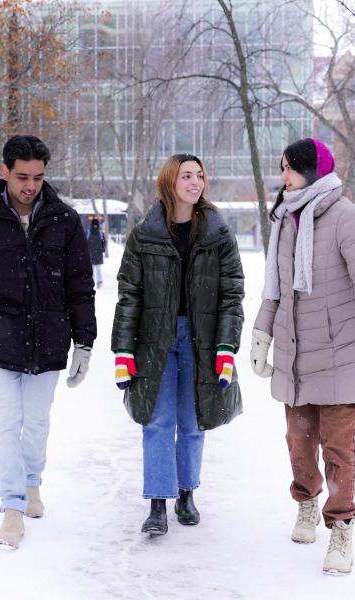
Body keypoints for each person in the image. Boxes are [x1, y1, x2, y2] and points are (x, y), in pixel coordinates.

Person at [0, 135, 97, 550]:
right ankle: (11, 509)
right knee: (6, 422)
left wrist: (84, 342)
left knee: (38, 421)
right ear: (5, 171)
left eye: (38, 177)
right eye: (23, 176)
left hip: (48, 339)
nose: (31, 185)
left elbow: (80, 287)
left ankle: (31, 483)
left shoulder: (64, 220)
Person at [250, 137, 355, 576]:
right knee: (299, 444)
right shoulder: (286, 220)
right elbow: (276, 287)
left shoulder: (345, 217)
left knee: (339, 448)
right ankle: (306, 503)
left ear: (312, 172)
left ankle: (341, 526)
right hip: (297, 357)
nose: (283, 176)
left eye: (290, 168)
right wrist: (260, 335)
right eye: (282, 167)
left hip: (343, 356)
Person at [111, 153, 245, 537]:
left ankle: (186, 493)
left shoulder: (218, 233)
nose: (194, 182)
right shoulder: (145, 233)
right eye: (186, 175)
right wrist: (123, 350)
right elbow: (130, 294)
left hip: (201, 341)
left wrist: (225, 347)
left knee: (192, 422)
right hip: (156, 340)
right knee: (156, 420)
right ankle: (157, 501)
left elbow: (231, 294)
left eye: (199, 175)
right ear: (170, 181)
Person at [86, 218, 107, 288]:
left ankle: (99, 282)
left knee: (98, 269)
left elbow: (104, 242)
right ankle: (91, 282)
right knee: (91, 270)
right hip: (90, 254)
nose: (95, 226)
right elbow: (84, 242)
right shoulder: (88, 232)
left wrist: (103, 249)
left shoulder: (101, 233)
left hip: (97, 254)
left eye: (96, 224)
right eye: (94, 224)